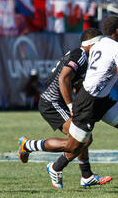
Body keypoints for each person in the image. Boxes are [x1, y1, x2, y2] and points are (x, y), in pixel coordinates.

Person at [22, 16, 118, 194]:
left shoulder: (100, 44)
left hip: (100, 99)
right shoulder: (116, 49)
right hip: (87, 102)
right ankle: (35, 149)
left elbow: (110, 59)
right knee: (73, 146)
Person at [18, 28, 112, 188]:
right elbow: (63, 79)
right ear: (92, 44)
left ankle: (86, 175)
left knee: (84, 137)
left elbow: (76, 83)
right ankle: (30, 146)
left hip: (56, 101)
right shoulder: (80, 55)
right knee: (81, 139)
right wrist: (71, 106)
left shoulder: (85, 57)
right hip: (53, 102)